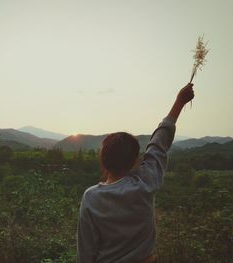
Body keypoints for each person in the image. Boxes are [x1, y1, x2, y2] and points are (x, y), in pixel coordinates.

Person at [76, 83, 195, 263]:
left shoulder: (91, 197)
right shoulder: (145, 184)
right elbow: (159, 144)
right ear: (134, 162)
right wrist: (179, 102)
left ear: (103, 161)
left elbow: (85, 253)